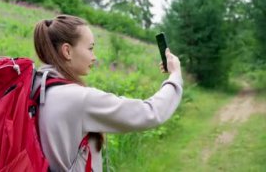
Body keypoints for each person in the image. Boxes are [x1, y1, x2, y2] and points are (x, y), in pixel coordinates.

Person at [32, 14, 183, 172]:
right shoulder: (79, 99)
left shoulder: (37, 87)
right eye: (90, 48)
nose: (94, 57)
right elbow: (150, 112)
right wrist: (175, 76)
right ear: (67, 51)